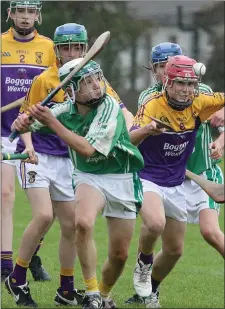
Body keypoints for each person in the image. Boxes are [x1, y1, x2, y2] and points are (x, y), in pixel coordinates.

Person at [11, 58, 145, 309]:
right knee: (82, 223)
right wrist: (22, 123)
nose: (96, 85)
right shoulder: (65, 110)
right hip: (88, 176)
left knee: (119, 255)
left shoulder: (109, 108)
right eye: (87, 82)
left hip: (121, 177)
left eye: (97, 78)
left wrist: (52, 122)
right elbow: (32, 122)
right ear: (71, 90)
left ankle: (104, 295)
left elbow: (86, 148)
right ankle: (92, 292)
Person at [126, 43, 225, 307]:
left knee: (177, 248)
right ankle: (143, 267)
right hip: (158, 176)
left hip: (194, 175)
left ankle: (149, 290)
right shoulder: (150, 100)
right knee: (156, 224)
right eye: (162, 67)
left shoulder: (200, 95)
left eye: (188, 81)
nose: (185, 87)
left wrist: (222, 133)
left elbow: (218, 109)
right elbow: (133, 138)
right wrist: (147, 130)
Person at [5, 23, 90, 307]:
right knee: (43, 216)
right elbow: (24, 120)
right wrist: (28, 147)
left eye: (77, 47)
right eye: (66, 47)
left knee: (71, 226)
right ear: (57, 50)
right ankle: (16, 278)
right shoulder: (45, 80)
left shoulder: (92, 81)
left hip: (67, 161)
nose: (72, 52)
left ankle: (66, 288)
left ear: (85, 49)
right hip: (37, 155)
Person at [1, 0, 55, 282]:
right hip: (2, 132)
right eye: (19, 11)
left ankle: (32, 253)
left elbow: (56, 86)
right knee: (5, 195)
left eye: (30, 12)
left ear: (38, 15)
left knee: (49, 209)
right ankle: (5, 265)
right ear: (10, 13)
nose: (25, 17)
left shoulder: (49, 48)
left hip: (39, 134)